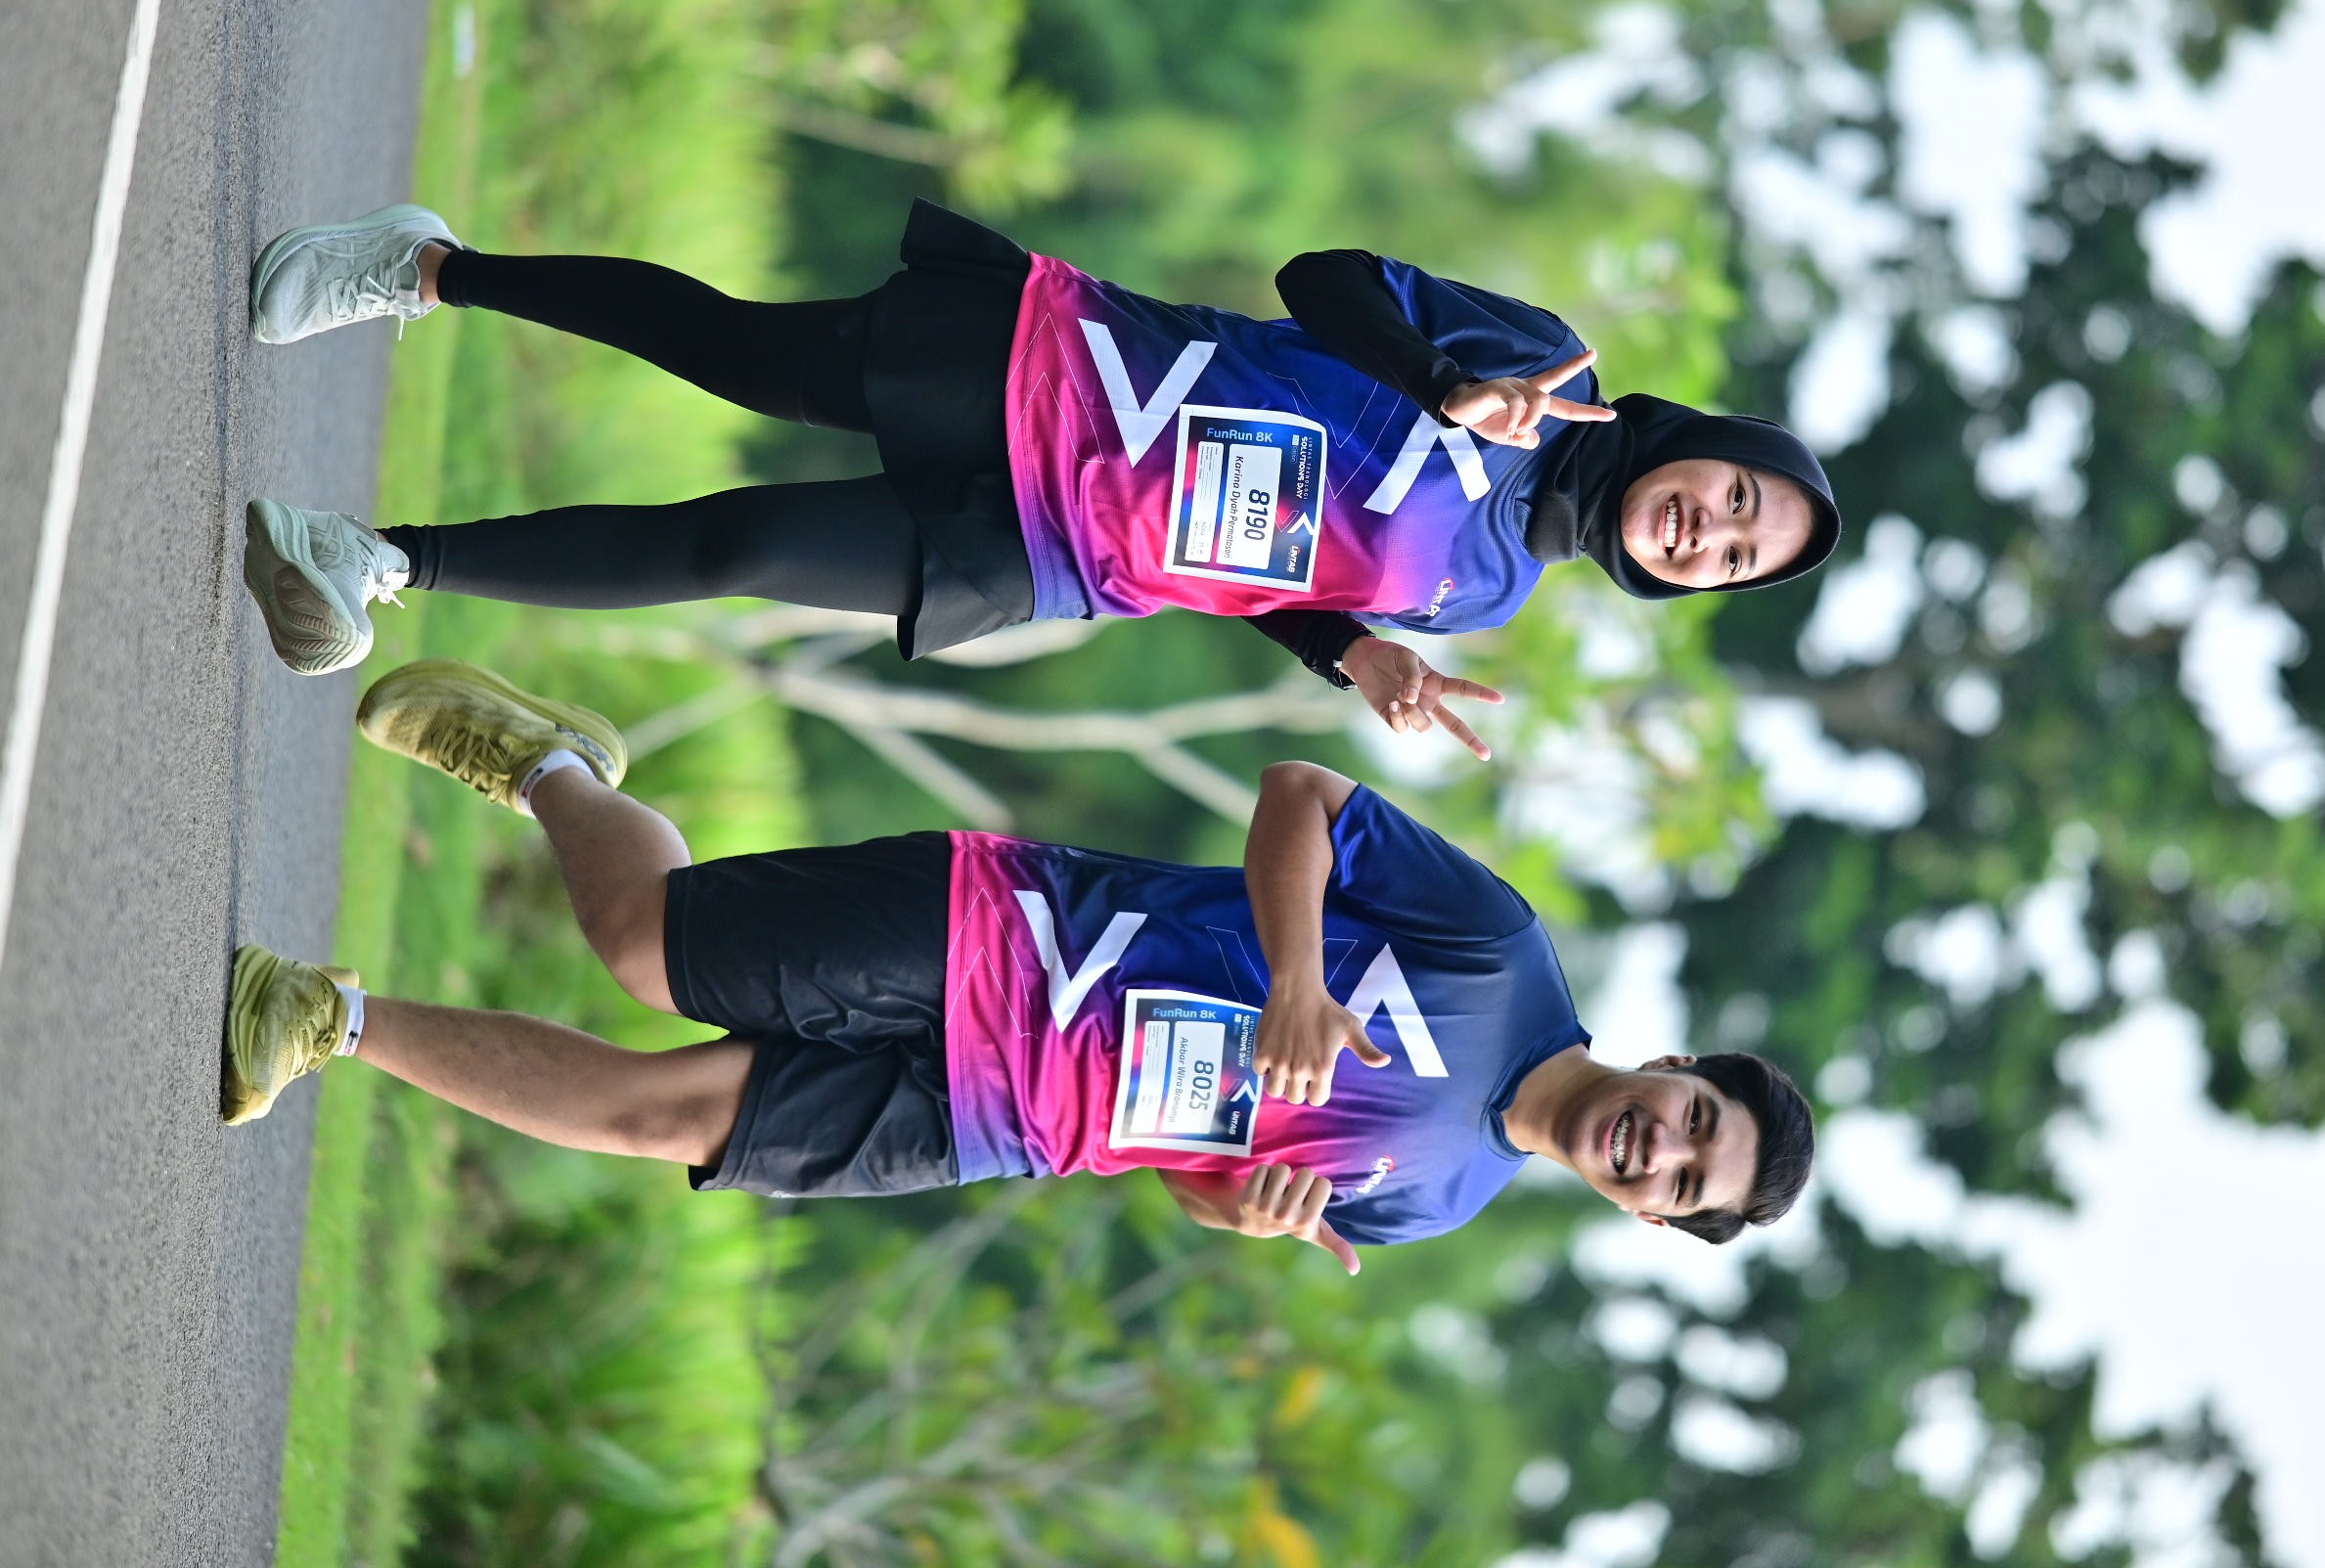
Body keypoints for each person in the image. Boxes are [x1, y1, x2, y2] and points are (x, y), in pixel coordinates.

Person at [222, 660, 1814, 1267]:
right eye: (1696, 1120)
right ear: (1680, 1068)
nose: (1661, 1149)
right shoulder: (1504, 954)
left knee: (658, 1118)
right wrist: (1295, 979)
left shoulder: (1435, 1203)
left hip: (1009, 1121)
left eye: (1685, 1183)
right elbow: (1301, 798)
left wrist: (1244, 1212)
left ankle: (324, 1017)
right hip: (1013, 936)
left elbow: (1194, 1176)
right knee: (648, 948)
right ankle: (555, 766)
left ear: (1649, 1215)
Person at [236, 202, 1841, 759]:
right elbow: (1319, 280)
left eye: (1729, 559)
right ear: (1717, 445)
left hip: (1057, 554)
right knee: (736, 355)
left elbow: (1270, 582)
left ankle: (375, 562)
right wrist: (1443, 384)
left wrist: (1354, 653)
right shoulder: (1546, 366)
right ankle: (427, 269)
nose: (1708, 532)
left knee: (736, 547)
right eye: (1736, 501)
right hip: (1051, 368)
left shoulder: (1485, 592)